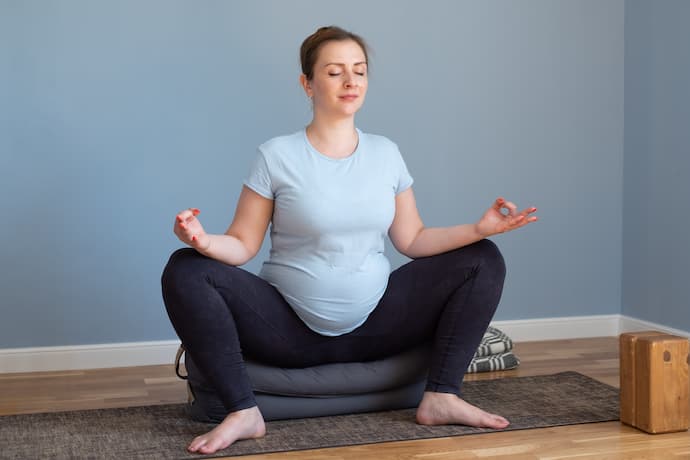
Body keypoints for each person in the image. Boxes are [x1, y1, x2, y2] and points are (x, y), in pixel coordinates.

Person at [162, 25, 538, 455]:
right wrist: (202, 241)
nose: (350, 82)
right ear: (307, 83)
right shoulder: (277, 155)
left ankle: (442, 397)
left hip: (378, 324)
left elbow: (412, 239)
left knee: (482, 258)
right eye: (335, 71)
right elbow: (242, 245)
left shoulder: (386, 153)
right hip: (288, 331)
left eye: (359, 71)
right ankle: (243, 411)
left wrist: (480, 229)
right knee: (185, 267)